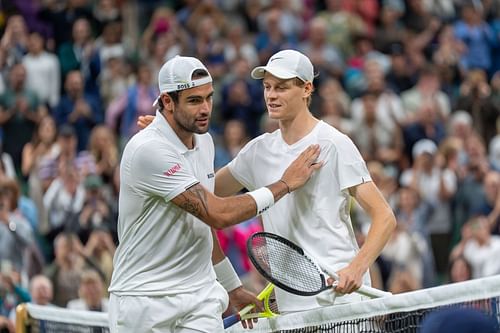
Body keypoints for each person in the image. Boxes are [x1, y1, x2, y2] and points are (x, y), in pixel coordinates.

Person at [138, 50, 396, 314]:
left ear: (307, 89)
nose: (271, 96)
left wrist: (357, 267)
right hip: (290, 305)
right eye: (267, 87)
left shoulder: (334, 144)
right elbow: (205, 193)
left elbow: (384, 216)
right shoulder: (257, 151)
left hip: (341, 299)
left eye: (281, 88)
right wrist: (168, 138)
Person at [108, 55, 321, 333]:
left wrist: (232, 288)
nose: (205, 108)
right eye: (194, 101)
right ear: (167, 103)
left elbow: (202, 224)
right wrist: (284, 185)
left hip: (200, 298)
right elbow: (216, 214)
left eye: (208, 98)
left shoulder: (205, 142)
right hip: (143, 301)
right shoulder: (147, 149)